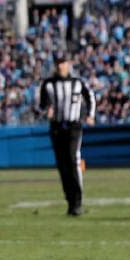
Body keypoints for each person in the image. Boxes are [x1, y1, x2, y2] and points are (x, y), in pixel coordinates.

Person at [39, 52, 97, 216]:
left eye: (63, 62)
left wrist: (90, 115)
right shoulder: (48, 84)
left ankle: (77, 201)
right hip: (56, 127)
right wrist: (46, 111)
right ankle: (70, 202)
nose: (60, 66)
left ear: (69, 64)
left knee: (73, 160)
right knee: (62, 165)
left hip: (73, 126)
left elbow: (90, 97)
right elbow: (41, 105)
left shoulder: (78, 83)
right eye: (58, 62)